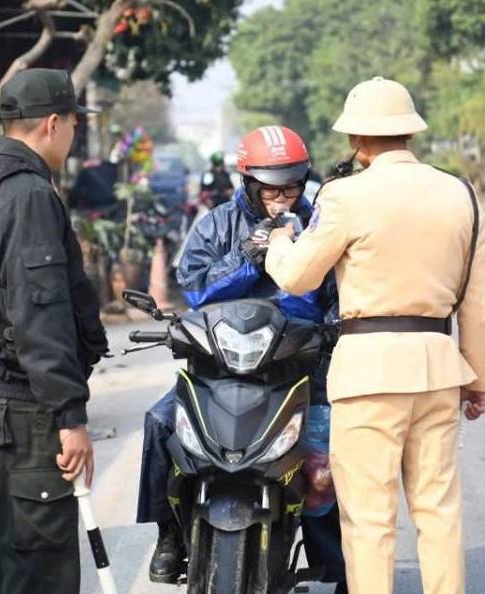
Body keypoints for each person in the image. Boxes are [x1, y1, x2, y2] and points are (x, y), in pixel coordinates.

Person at [265, 77, 485, 594]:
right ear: (409, 135)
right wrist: (477, 379)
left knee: (369, 522)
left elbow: (298, 276)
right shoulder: (461, 194)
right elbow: (479, 302)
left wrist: (279, 242)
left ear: (356, 141)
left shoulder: (344, 195)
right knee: (438, 511)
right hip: (438, 368)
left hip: (367, 374)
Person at [139, 125, 347, 591]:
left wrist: (332, 323)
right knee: (159, 424)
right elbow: (193, 288)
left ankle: (334, 558)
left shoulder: (319, 226)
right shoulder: (215, 226)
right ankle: (168, 534)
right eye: (272, 188)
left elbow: (338, 292)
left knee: (327, 459)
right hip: (219, 372)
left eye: (292, 186)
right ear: (249, 183)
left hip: (299, 370)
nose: (283, 198)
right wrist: (247, 256)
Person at [0, 69, 109, 594]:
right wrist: (70, 417)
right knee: (40, 573)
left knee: (5, 564)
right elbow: (39, 313)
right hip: (23, 409)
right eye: (73, 126)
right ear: (53, 124)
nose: (73, 137)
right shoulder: (28, 195)